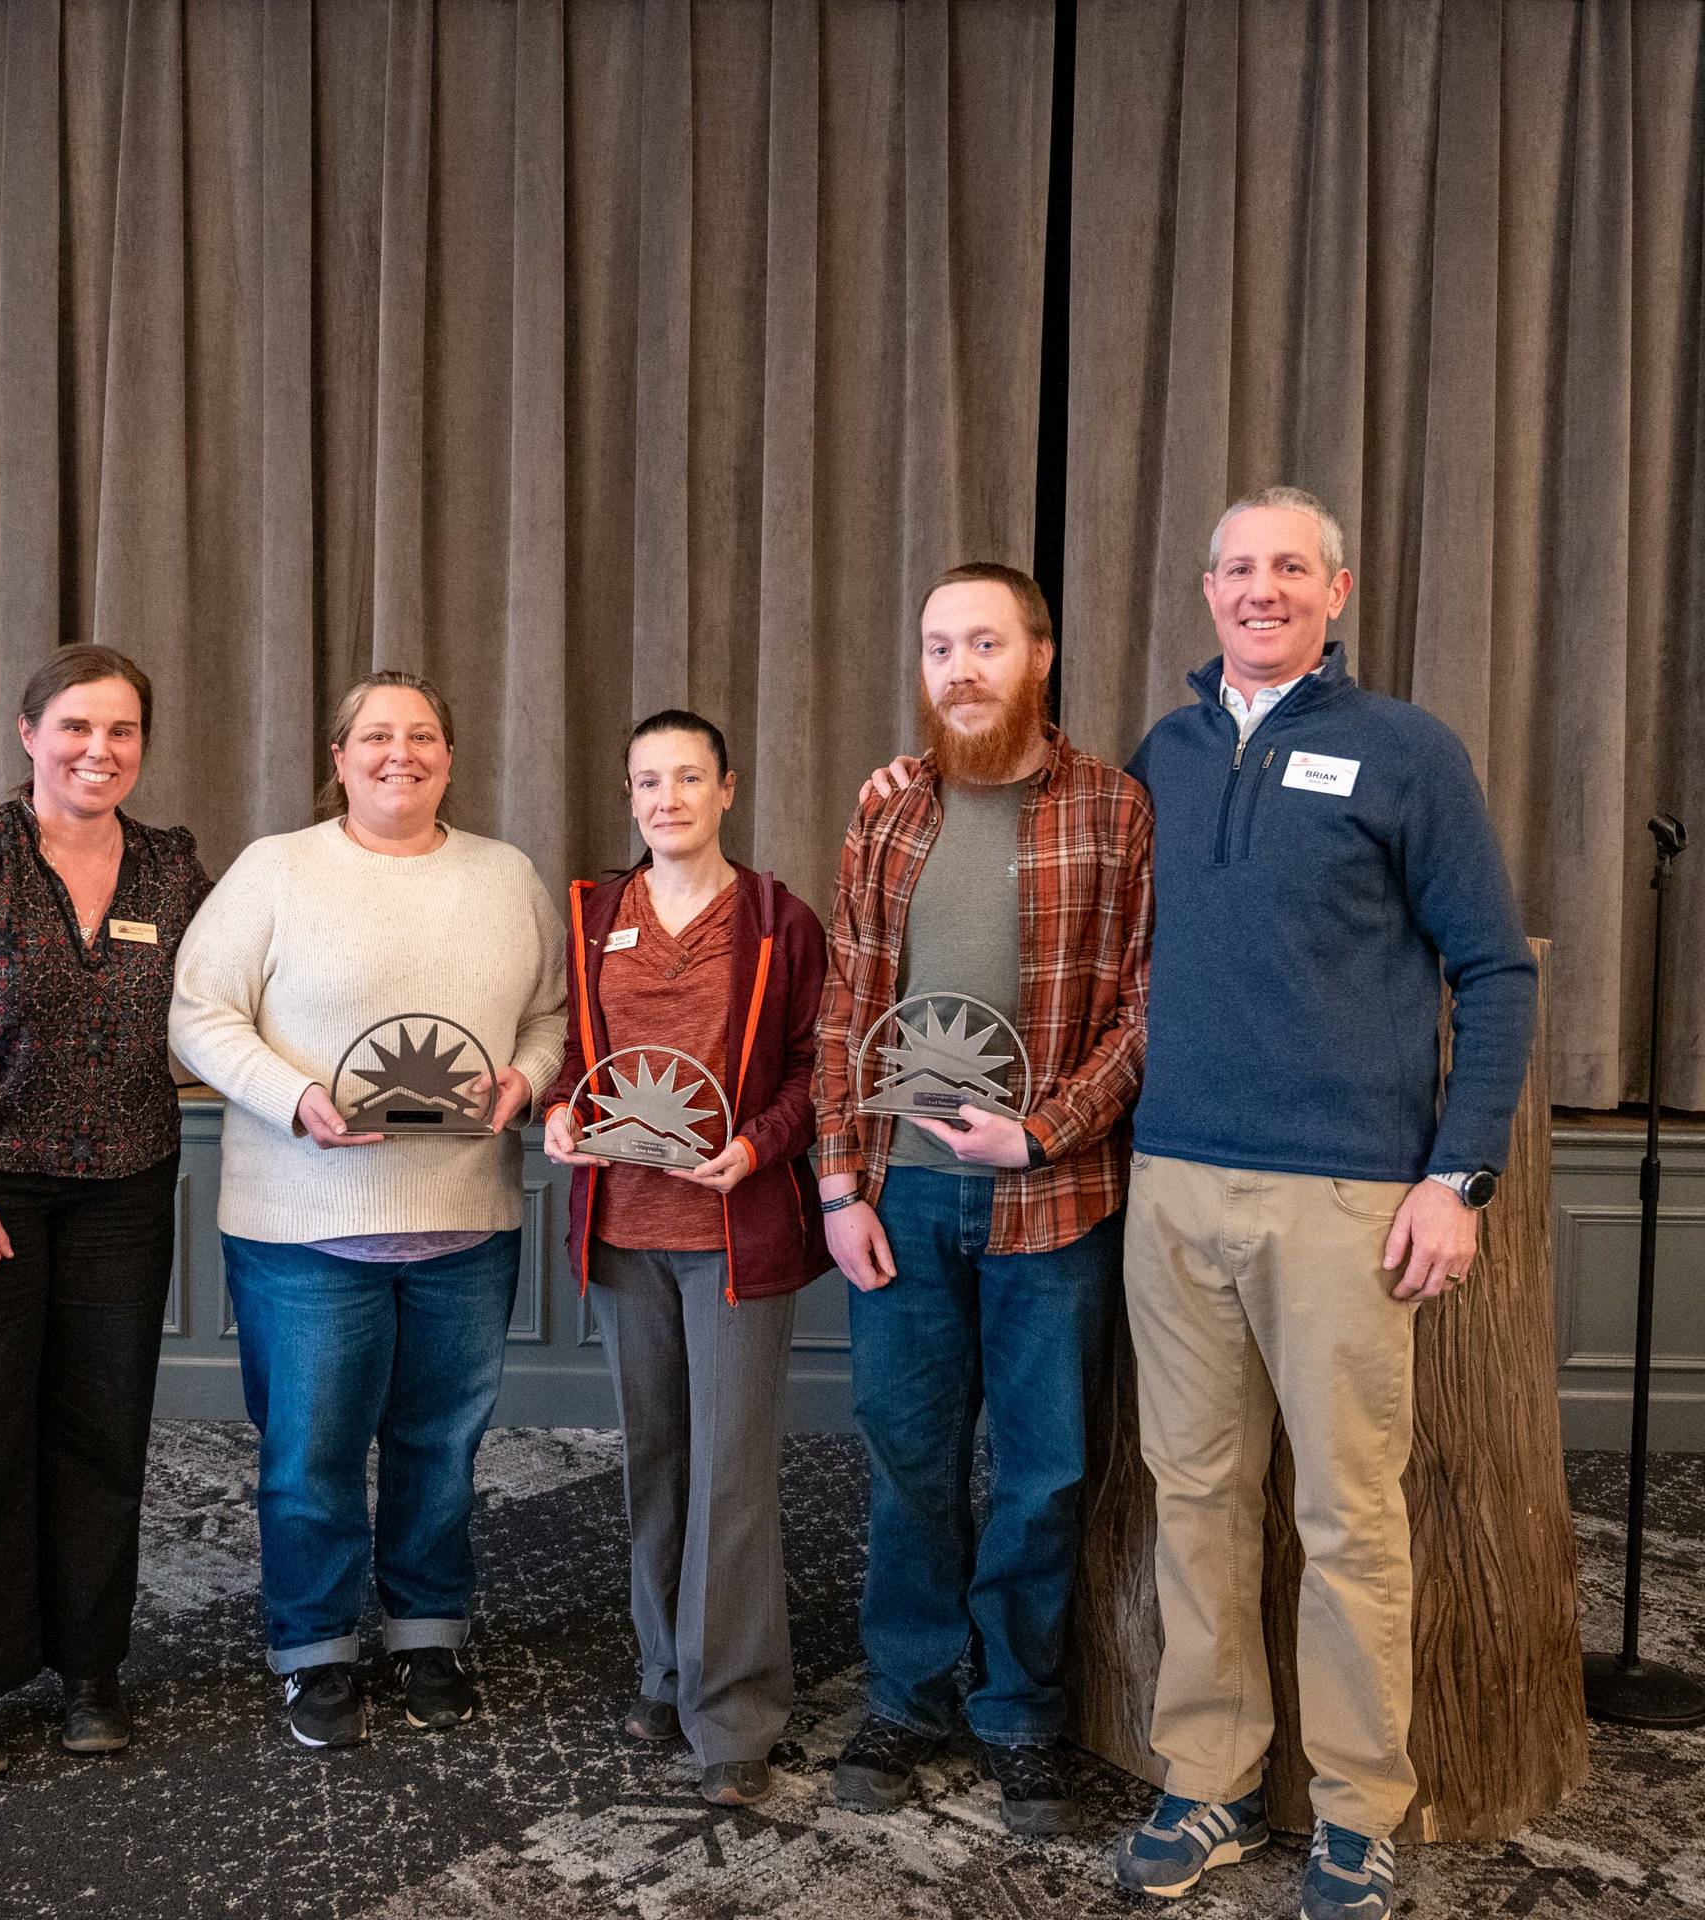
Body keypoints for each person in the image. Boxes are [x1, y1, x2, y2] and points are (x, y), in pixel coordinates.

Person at [1110, 488, 1536, 1919]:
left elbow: (1498, 970)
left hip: (1350, 1201)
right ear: (1206, 588)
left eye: (1290, 567)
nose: (1261, 589)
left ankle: (1361, 1809)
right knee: (1198, 1501)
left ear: (1337, 589)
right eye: (1237, 567)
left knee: (1351, 1517)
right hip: (1170, 1183)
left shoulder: (1405, 752)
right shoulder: (1160, 753)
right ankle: (1211, 1778)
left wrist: (1456, 1177)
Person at [812, 562, 1154, 1835]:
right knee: (909, 1461)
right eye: (940, 646)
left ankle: (1019, 1708)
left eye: (986, 644)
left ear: (1041, 658)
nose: (960, 668)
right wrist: (841, 1181)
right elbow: (845, 1006)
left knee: (1045, 1470)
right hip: (900, 1195)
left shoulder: (1114, 811)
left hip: (1053, 1202)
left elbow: (1140, 1007)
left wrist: (1046, 1131)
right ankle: (905, 1695)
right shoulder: (888, 817)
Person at [168, 671, 566, 1751]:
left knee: (442, 1445)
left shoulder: (507, 875)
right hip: (305, 1228)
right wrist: (292, 1099)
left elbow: (549, 1015)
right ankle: (314, 1649)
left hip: (465, 1222)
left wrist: (526, 1083)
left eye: (424, 734)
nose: (403, 753)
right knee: (312, 1455)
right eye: (377, 736)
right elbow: (199, 1014)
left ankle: (426, 1630)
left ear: (450, 754)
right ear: (337, 758)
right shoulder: (276, 871)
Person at [0, 645, 212, 1782]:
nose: (98, 751)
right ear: (29, 734)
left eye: (120, 732)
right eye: (75, 727)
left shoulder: (172, 869)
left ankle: (88, 1672)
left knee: (101, 1442)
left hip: (125, 1189)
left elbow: (252, 983)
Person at [542, 710, 830, 1808]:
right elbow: (579, 1059)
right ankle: (666, 1669)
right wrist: (567, 1113)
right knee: (655, 1460)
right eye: (648, 781)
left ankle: (736, 1714)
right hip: (624, 1236)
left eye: (690, 777)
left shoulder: (774, 921)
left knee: (732, 1476)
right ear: (629, 796)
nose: (668, 798)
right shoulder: (594, 915)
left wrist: (759, 1145)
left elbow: (814, 1065)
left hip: (731, 1238)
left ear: (728, 789)